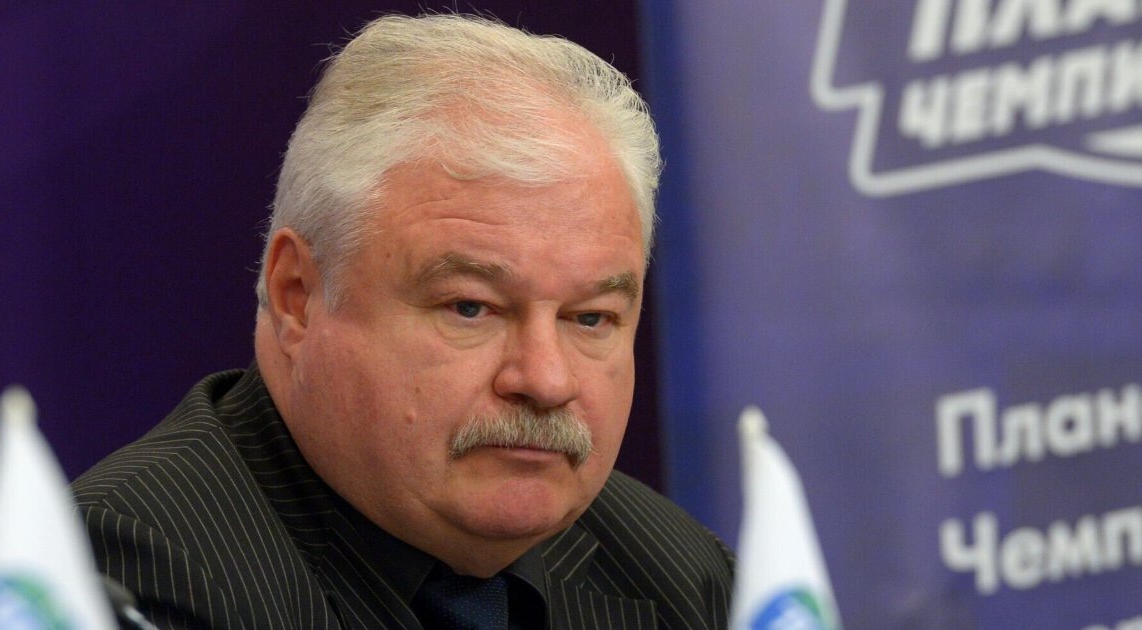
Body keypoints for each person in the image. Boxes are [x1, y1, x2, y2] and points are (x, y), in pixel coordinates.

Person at [73, 13, 733, 629]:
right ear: (297, 296)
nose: (545, 379)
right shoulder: (122, 577)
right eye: (471, 308)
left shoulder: (680, 578)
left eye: (590, 318)